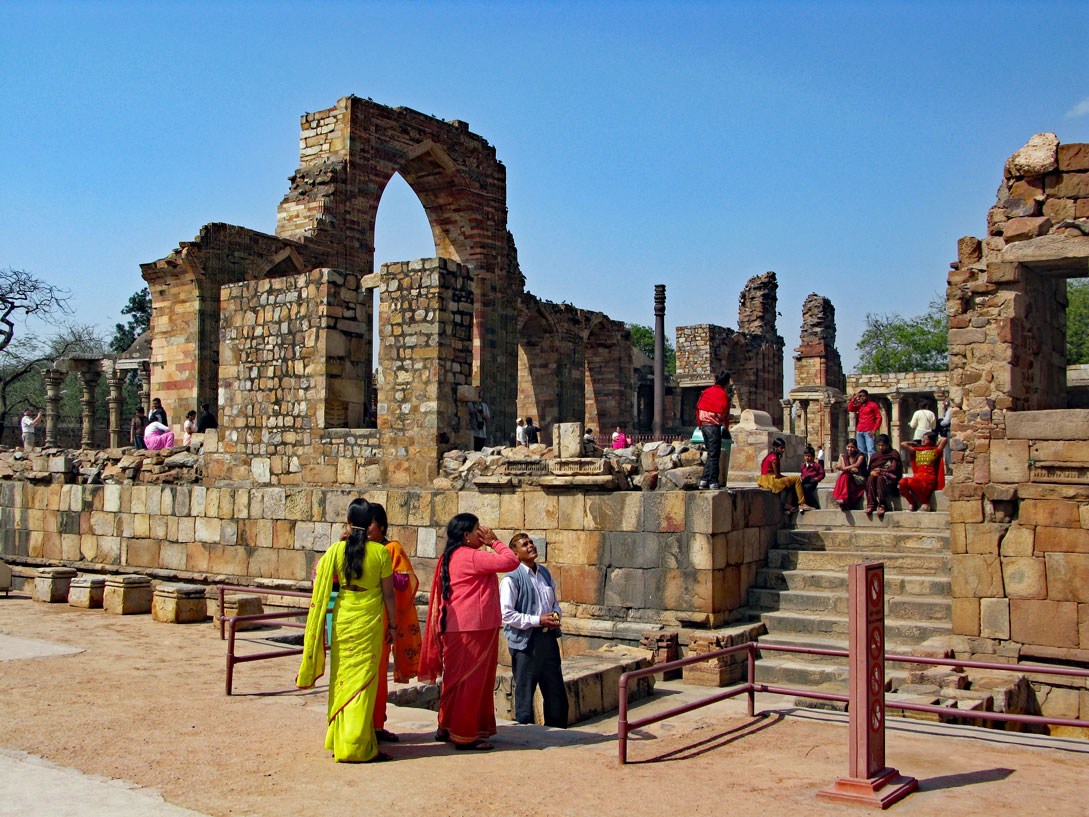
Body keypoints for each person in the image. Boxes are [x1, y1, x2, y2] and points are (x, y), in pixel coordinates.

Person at [297, 500, 396, 763]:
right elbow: (388, 594)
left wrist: (340, 543)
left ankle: (339, 739)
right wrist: (394, 625)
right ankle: (357, 745)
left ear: (349, 522)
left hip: (342, 619)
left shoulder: (336, 550)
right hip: (369, 620)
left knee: (342, 679)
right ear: (370, 523)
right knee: (364, 683)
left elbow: (319, 576)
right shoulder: (381, 552)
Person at [419, 513, 519, 750]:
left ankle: (446, 726)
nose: (481, 533)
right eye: (477, 529)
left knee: (454, 681)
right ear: (466, 536)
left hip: (456, 627)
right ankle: (465, 734)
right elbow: (511, 561)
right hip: (474, 628)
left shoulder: (449, 556)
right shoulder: (473, 557)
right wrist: (494, 542)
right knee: (472, 682)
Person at [364, 502, 421, 744]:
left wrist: (381, 570)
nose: (367, 528)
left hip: (383, 620)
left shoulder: (391, 549)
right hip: (360, 619)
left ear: (382, 526)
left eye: (370, 523)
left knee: (377, 676)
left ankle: (376, 725)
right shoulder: (354, 548)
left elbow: (404, 582)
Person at [499, 532, 567, 728]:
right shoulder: (511, 579)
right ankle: (526, 732)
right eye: (525, 544)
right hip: (526, 643)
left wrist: (555, 615)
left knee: (555, 690)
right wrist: (538, 620)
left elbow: (554, 603)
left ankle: (558, 731)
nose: (530, 546)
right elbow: (507, 614)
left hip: (548, 640)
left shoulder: (544, 573)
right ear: (515, 554)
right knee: (525, 691)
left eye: (531, 542)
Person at [697, 370, 732, 490]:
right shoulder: (721, 394)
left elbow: (699, 407)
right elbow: (721, 414)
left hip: (704, 426)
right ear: (726, 383)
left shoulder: (707, 391)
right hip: (713, 426)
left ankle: (704, 480)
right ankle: (713, 482)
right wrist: (728, 417)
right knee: (714, 455)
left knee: (711, 453)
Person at [757, 438, 813, 513]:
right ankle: (802, 503)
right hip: (770, 481)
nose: (783, 450)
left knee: (791, 483)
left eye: (784, 448)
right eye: (781, 448)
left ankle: (787, 505)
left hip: (765, 480)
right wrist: (786, 478)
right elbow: (777, 475)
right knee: (797, 479)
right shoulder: (774, 457)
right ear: (775, 447)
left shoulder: (769, 456)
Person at [900, 431, 948, 512]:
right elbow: (903, 444)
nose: (923, 440)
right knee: (902, 482)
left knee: (912, 482)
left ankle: (925, 503)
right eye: (923, 438)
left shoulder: (935, 451)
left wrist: (937, 442)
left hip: (928, 477)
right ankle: (912, 503)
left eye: (926, 439)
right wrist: (913, 443)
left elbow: (945, 440)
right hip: (918, 475)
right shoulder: (917, 451)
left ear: (931, 441)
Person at [864, 434, 903, 518]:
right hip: (876, 477)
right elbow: (870, 469)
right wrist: (873, 472)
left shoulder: (893, 453)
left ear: (888, 444)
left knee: (880, 479)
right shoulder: (876, 455)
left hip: (889, 479)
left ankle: (882, 504)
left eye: (883, 445)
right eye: (879, 445)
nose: (881, 447)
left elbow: (894, 469)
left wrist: (882, 471)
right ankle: (871, 503)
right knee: (870, 478)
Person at [831, 438, 868, 511]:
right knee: (844, 474)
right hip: (849, 476)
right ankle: (842, 497)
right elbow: (845, 468)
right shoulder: (844, 456)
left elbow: (857, 464)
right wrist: (848, 468)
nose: (850, 449)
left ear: (856, 448)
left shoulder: (861, 455)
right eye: (848, 447)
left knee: (845, 474)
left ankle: (842, 497)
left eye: (852, 447)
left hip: (859, 478)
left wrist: (845, 468)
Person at [847, 389, 882, 462]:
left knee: (871, 450)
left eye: (863, 396)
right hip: (860, 430)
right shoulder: (859, 406)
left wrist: (874, 430)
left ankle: (873, 465)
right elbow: (850, 408)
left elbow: (879, 417)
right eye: (860, 396)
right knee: (862, 451)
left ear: (867, 396)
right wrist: (854, 398)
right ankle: (864, 466)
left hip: (869, 431)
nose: (862, 398)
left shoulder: (873, 405)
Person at [800, 445, 825, 509]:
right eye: (806, 456)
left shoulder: (816, 465)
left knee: (806, 488)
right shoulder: (803, 465)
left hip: (812, 481)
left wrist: (816, 479)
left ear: (813, 457)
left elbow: (822, 474)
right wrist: (802, 477)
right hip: (805, 481)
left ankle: (814, 504)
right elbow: (802, 473)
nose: (807, 458)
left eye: (809, 456)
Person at [939, 398, 953, 474]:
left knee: (948, 450)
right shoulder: (949, 410)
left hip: (949, 431)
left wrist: (940, 422)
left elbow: (946, 421)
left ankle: (950, 468)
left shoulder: (950, 410)